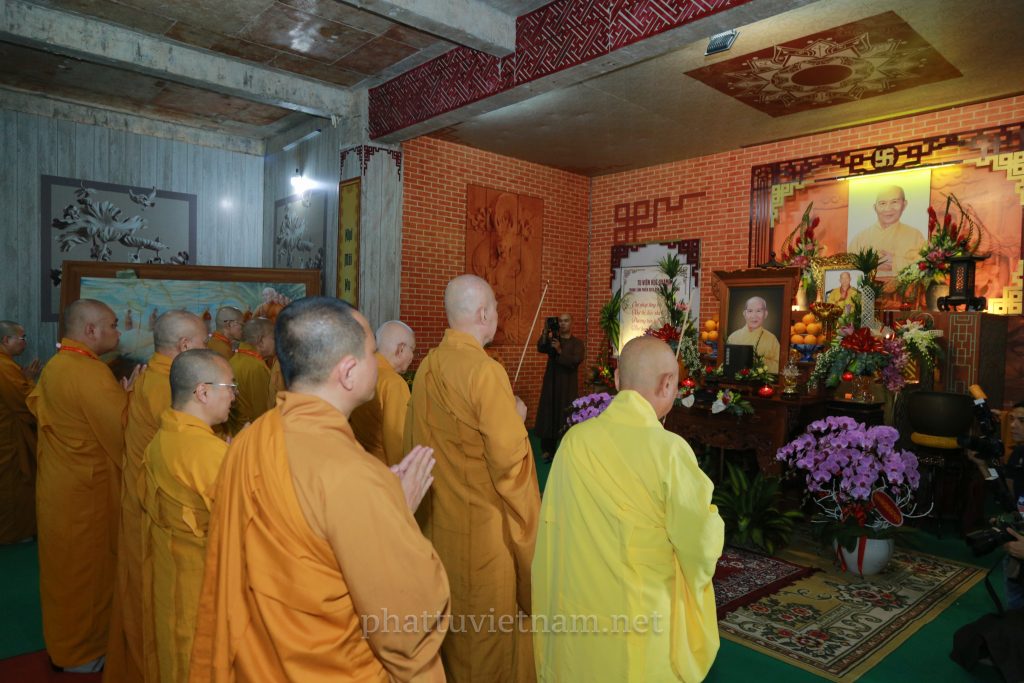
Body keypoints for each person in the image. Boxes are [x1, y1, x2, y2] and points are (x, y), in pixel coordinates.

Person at [189, 297, 450, 682]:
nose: (377, 363)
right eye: (371, 353)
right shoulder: (355, 475)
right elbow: (405, 625)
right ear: (348, 372)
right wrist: (394, 512)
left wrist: (382, 504)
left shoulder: (251, 440)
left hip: (258, 662)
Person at [532, 336, 724, 682]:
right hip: (639, 616)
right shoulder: (669, 451)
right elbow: (700, 542)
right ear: (667, 384)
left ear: (618, 379)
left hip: (579, 606)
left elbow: (554, 524)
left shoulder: (575, 441)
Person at [406, 274, 540, 683]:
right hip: (483, 533)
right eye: (496, 309)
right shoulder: (484, 371)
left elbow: (414, 442)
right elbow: (508, 463)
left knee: (448, 626)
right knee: (485, 640)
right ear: (483, 314)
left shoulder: (427, 366)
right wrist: (518, 421)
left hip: (437, 523)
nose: (497, 316)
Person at [27, 299, 139, 673]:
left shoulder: (59, 364)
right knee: (86, 574)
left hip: (62, 485)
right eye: (112, 325)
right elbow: (123, 430)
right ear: (90, 330)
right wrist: (133, 400)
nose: (118, 332)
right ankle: (80, 653)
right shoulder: (87, 373)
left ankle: (66, 644)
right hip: (85, 494)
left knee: (66, 571)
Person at [105, 310, 208, 683]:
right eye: (204, 341)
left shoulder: (152, 374)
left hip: (142, 498)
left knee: (143, 594)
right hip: (158, 509)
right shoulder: (169, 385)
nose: (208, 347)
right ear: (185, 345)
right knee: (158, 603)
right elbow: (183, 450)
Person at [142, 349, 234, 683]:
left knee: (176, 655)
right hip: (201, 583)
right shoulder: (205, 452)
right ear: (202, 392)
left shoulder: (165, 434)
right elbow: (246, 522)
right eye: (230, 387)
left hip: (172, 573)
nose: (234, 396)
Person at [350, 320, 415, 467]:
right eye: (413, 350)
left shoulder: (360, 373)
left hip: (360, 461)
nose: (413, 356)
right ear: (400, 349)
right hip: (384, 467)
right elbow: (397, 439)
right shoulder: (394, 384)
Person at [0, 320, 39, 544]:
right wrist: (30, 380)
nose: (25, 342)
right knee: (12, 485)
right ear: (6, 340)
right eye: (22, 338)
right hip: (8, 439)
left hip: (8, 434)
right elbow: (25, 403)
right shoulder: (4, 367)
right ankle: (12, 535)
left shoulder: (8, 365)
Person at [535, 313, 584, 461]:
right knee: (549, 414)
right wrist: (545, 332)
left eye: (566, 321)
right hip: (551, 383)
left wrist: (560, 351)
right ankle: (547, 451)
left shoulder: (577, 343)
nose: (563, 323)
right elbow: (541, 347)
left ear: (571, 323)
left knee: (566, 416)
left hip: (568, 386)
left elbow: (575, 361)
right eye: (560, 321)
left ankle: (566, 450)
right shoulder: (553, 340)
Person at [849, 185, 926, 275]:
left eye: (894, 202)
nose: (888, 209)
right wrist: (871, 265)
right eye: (882, 203)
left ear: (904, 205)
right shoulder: (860, 239)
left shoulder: (915, 235)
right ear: (875, 207)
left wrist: (895, 262)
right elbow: (848, 270)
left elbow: (925, 268)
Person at [227, 317, 275, 433]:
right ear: (261, 341)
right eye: (274, 338)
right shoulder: (256, 367)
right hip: (252, 431)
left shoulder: (233, 360)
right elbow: (263, 411)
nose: (277, 342)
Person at [725, 296, 781, 373]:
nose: (754, 315)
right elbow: (726, 363)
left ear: (765, 314)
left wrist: (759, 362)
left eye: (758, 311)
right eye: (750, 311)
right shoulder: (733, 337)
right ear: (744, 314)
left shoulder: (772, 339)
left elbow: (780, 365)